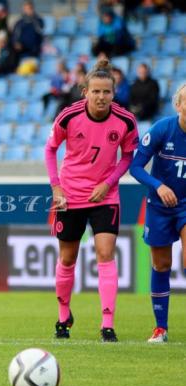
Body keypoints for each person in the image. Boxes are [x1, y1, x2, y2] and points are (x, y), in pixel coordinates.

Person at [45, 60, 138, 342]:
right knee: (68, 258)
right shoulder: (69, 116)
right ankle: (63, 316)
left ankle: (107, 324)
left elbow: (128, 157)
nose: (100, 97)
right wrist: (56, 188)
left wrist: (108, 183)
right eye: (95, 91)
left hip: (105, 197)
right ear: (85, 91)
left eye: (106, 92)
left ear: (114, 92)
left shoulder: (125, 121)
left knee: (105, 255)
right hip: (70, 195)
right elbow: (50, 150)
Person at [129, 83, 186, 343]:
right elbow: (136, 167)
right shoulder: (163, 128)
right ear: (178, 105)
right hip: (159, 207)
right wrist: (158, 185)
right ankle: (160, 328)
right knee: (161, 264)